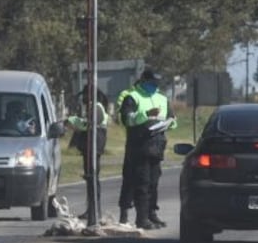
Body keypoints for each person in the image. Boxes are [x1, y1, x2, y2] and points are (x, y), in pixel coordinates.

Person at [120, 67, 176, 229]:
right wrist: (145, 115)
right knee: (142, 183)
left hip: (157, 146)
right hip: (139, 146)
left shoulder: (162, 98)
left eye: (156, 83)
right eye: (151, 82)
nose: (154, 85)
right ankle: (141, 218)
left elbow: (172, 118)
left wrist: (170, 123)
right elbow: (127, 119)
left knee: (154, 183)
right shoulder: (133, 97)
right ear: (143, 81)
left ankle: (152, 214)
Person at [65, 86, 110, 220]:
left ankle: (95, 211)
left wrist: (72, 121)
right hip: (91, 146)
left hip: (93, 146)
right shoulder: (95, 107)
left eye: (84, 95)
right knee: (91, 179)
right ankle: (91, 209)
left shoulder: (96, 107)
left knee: (92, 179)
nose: (83, 99)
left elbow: (87, 124)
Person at [115, 83, 136, 225]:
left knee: (149, 184)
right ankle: (124, 214)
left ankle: (147, 215)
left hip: (153, 145)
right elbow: (124, 117)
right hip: (134, 143)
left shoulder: (158, 96)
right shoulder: (128, 95)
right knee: (129, 180)